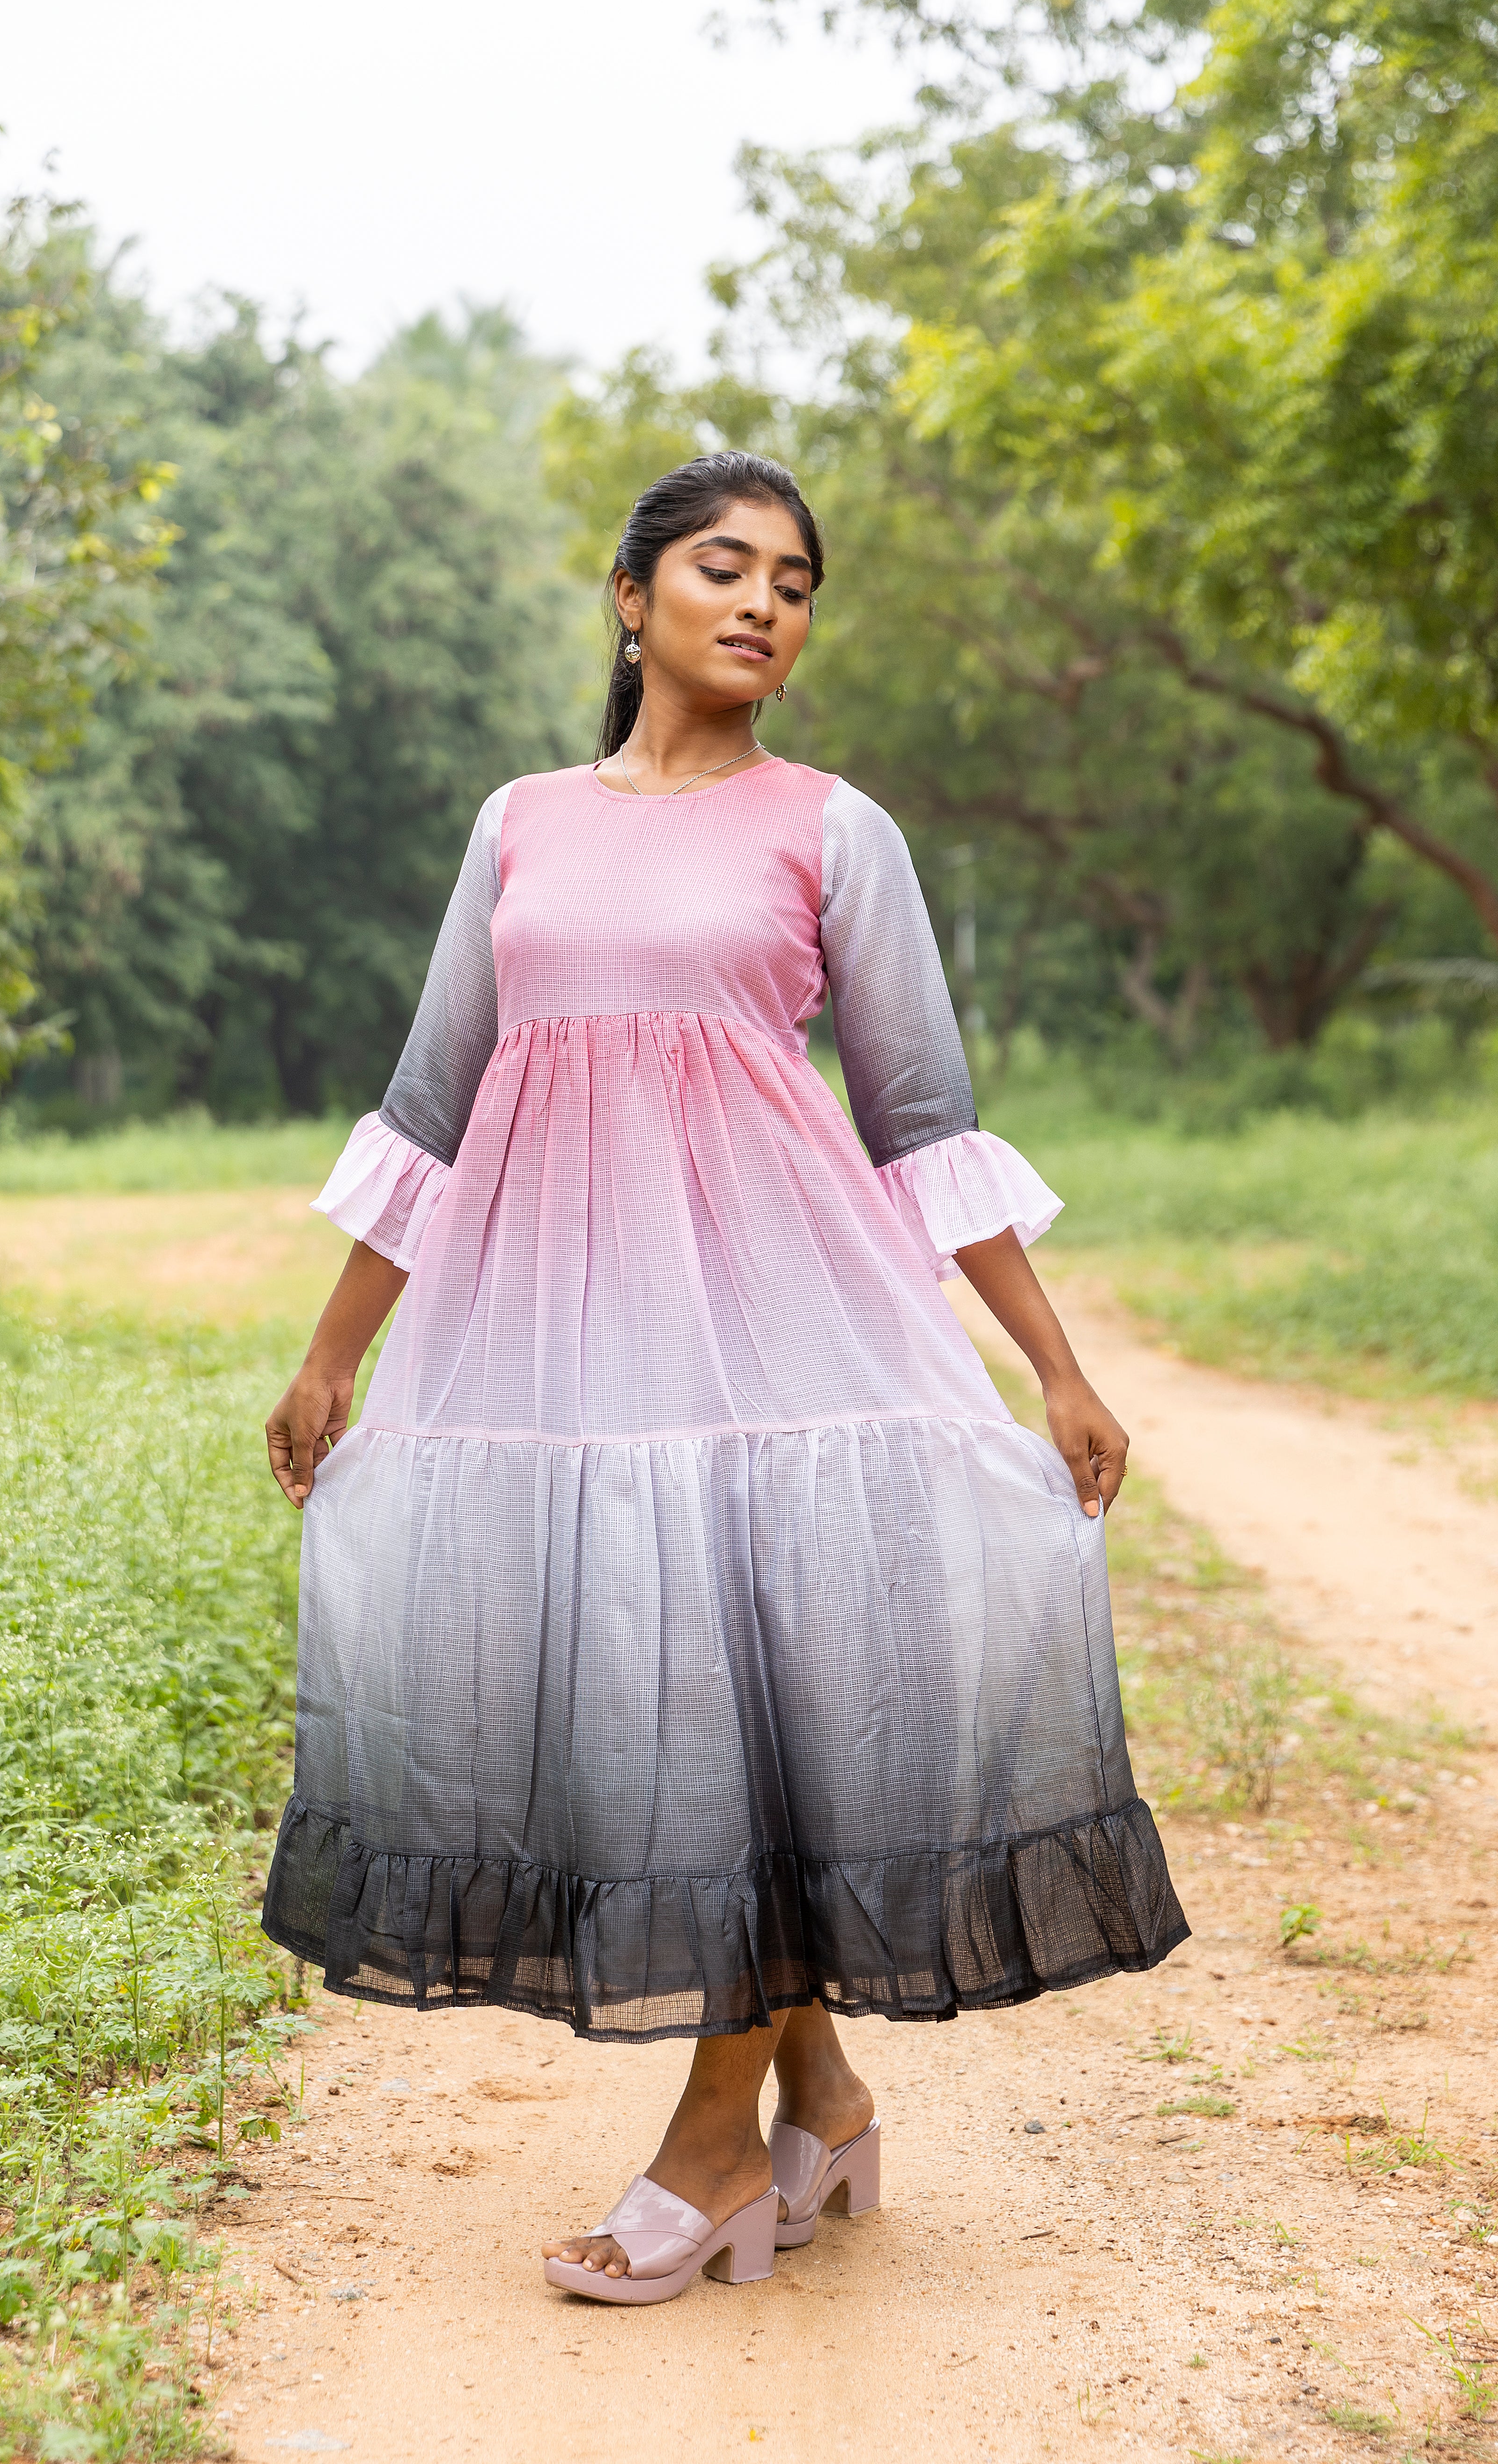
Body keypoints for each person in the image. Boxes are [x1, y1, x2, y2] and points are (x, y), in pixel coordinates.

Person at [262, 452, 1188, 2307]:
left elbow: (922, 1118)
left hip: (789, 1347)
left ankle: (712, 2149)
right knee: (672, 1720)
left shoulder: (836, 830)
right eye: (721, 568)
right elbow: (434, 1104)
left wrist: (1058, 1370)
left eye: (794, 581)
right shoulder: (520, 823)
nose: (763, 602)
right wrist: (333, 1351)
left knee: (752, 1733)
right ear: (631, 598)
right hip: (581, 1364)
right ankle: (822, 2104)